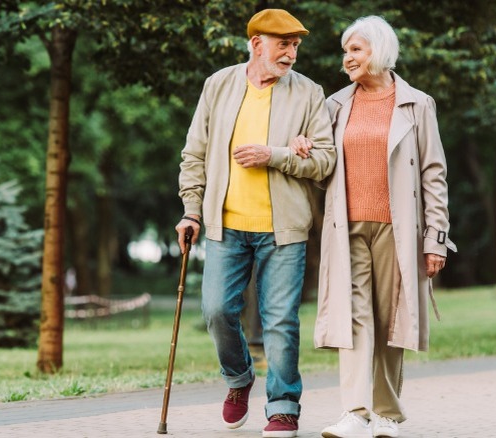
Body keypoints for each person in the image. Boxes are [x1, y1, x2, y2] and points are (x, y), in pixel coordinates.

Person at [290, 15, 457, 438]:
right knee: (354, 317)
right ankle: (355, 413)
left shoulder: (418, 104)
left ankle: (386, 414)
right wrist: (302, 145)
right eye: (346, 51)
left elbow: (434, 175)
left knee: (390, 320)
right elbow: (320, 161)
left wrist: (435, 239)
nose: (347, 58)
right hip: (346, 226)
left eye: (356, 50)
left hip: (398, 229)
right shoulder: (334, 105)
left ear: (379, 51)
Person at [175, 8, 336, 438]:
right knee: (216, 311)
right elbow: (194, 154)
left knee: (280, 319)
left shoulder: (308, 93)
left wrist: (276, 155)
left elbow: (325, 162)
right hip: (225, 227)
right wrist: (192, 210)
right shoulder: (219, 85)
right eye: (283, 44)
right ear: (256, 44)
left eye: (296, 45)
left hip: (284, 230)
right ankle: (239, 378)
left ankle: (283, 406)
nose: (291, 54)